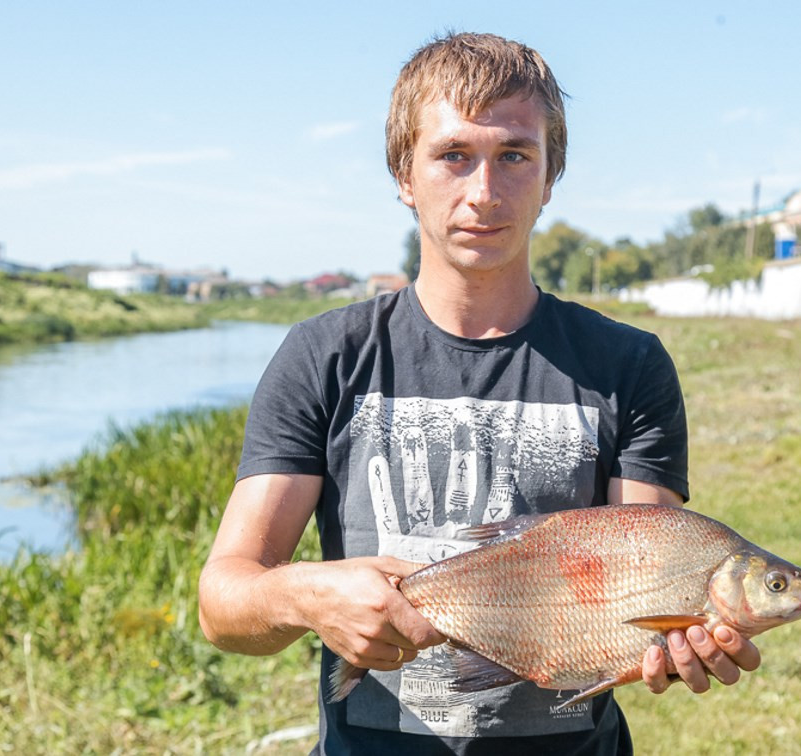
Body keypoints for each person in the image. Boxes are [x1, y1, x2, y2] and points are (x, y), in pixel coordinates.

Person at [198, 32, 760, 755]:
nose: (483, 193)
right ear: (404, 173)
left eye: (515, 156)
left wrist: (677, 645)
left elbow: (647, 583)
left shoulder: (628, 364)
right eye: (452, 155)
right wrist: (304, 594)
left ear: (551, 174)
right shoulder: (323, 355)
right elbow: (223, 602)